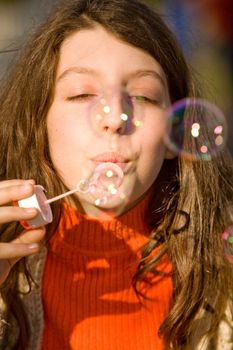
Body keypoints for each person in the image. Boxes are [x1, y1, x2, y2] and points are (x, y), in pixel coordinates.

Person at [0, 0, 232, 349]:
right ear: (39, 125)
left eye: (142, 96)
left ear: (176, 133)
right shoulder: (7, 254)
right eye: (81, 94)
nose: (114, 118)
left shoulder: (221, 277)